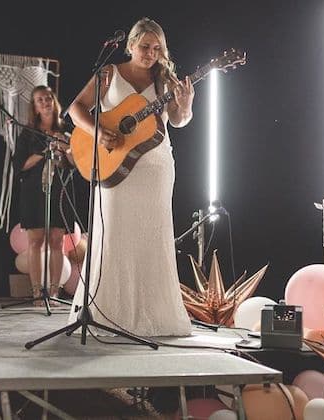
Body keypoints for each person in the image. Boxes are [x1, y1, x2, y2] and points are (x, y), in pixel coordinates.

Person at [67, 17, 193, 336]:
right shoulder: (109, 73)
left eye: (157, 48)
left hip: (156, 168)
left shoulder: (167, 80)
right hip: (114, 165)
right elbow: (76, 109)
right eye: (145, 46)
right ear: (131, 45)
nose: (150, 53)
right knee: (114, 237)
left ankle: (155, 317)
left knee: (153, 237)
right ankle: (108, 313)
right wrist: (97, 133)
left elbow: (178, 121)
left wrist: (185, 106)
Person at [13, 85, 73, 305]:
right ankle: (39, 293)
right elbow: (20, 165)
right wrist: (44, 151)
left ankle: (55, 293)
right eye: (40, 100)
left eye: (48, 98)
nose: (46, 102)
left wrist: (66, 147)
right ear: (35, 107)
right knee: (36, 242)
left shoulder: (66, 129)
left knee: (57, 241)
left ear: (54, 102)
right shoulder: (28, 133)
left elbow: (76, 163)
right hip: (34, 191)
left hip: (59, 190)